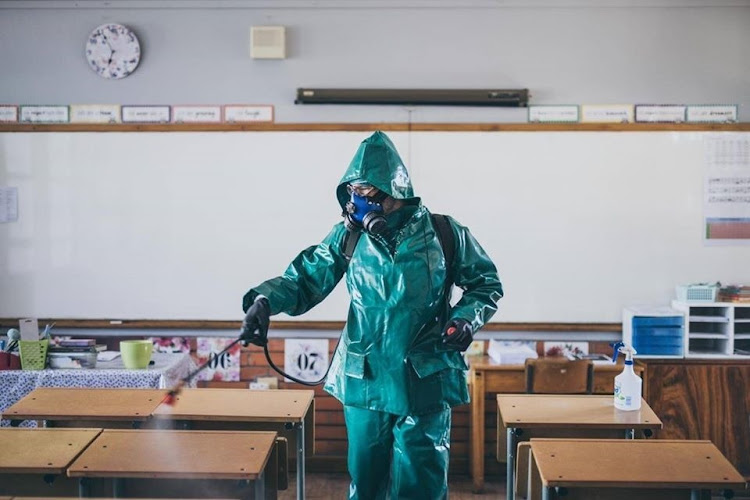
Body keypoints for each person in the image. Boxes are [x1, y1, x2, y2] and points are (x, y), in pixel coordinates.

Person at [241, 130, 503, 499]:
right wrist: (264, 300)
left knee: (422, 486)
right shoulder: (347, 236)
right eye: (352, 192)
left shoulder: (446, 233)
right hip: (365, 378)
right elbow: (302, 281)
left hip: (425, 375)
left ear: (393, 192)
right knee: (365, 485)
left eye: (365, 192)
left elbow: (485, 284)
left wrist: (465, 319)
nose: (356, 202)